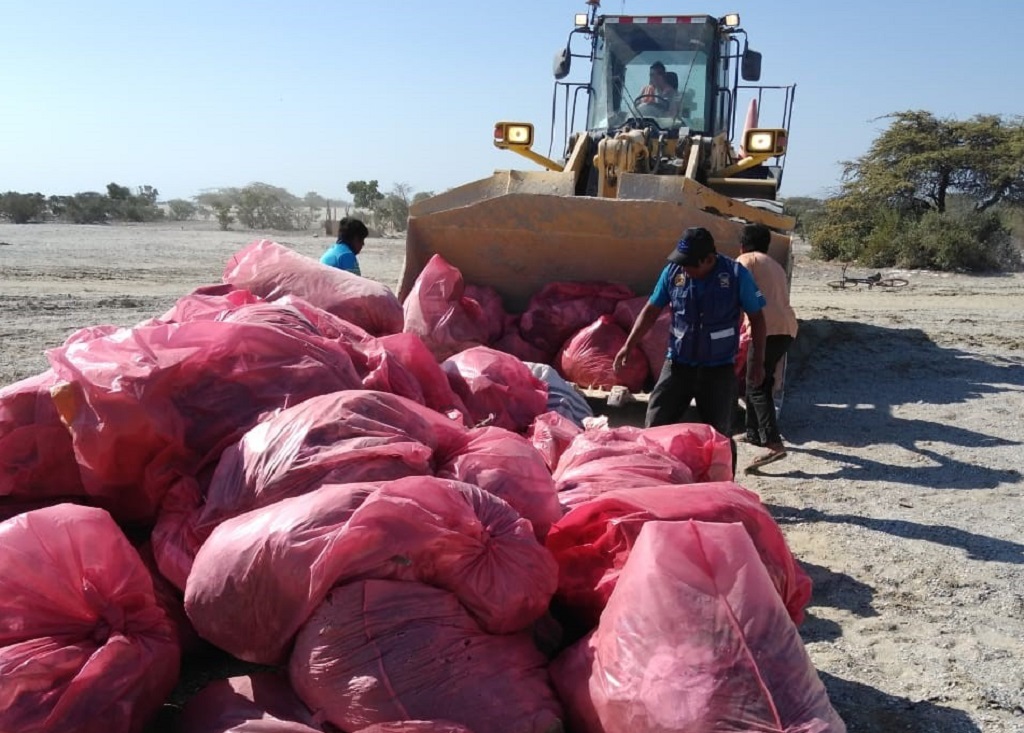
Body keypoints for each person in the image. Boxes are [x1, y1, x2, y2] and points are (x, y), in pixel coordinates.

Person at [614, 226, 766, 474]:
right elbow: (651, 310)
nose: (684, 268)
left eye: (690, 264)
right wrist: (628, 345)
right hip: (678, 366)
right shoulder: (673, 272)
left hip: (718, 371)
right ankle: (652, 480)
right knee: (655, 426)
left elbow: (757, 319)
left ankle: (722, 489)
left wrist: (757, 362)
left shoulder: (736, 275)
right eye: (681, 262)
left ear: (709, 259)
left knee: (720, 435)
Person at [736, 223, 798, 471]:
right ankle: (753, 432)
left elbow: (741, 294)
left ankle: (773, 444)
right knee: (762, 381)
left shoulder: (745, 261)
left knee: (755, 383)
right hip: (787, 329)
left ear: (742, 244)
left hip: (766, 330)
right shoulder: (776, 266)